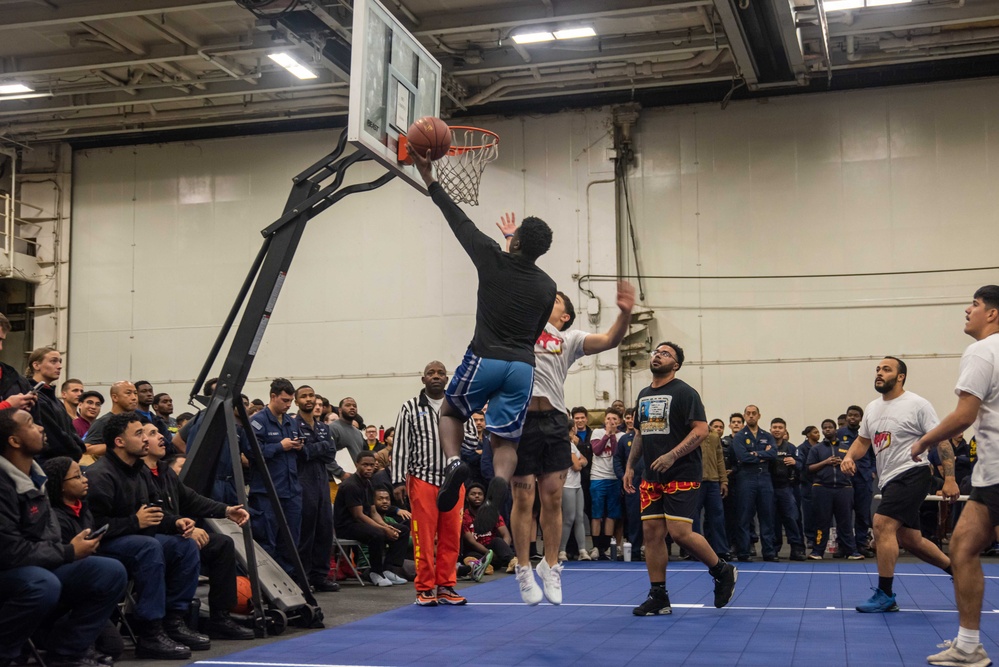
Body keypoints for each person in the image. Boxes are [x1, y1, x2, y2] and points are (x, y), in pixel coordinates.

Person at [412, 151, 558, 525]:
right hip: (523, 367)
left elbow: (458, 220)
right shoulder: (547, 286)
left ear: (516, 240)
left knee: (450, 411)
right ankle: (499, 482)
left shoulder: (492, 257)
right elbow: (537, 328)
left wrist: (430, 177)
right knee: (505, 440)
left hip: (485, 357)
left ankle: (455, 463)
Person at [910, 286, 999, 667]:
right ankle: (968, 646)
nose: (968, 309)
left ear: (992, 314)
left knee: (963, 549)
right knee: (961, 549)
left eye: (975, 305)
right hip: (988, 473)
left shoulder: (983, 350)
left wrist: (924, 440)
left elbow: (964, 415)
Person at [0, 409, 127, 667]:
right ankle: (6, 655)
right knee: (42, 584)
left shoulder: (36, 477)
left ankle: (67, 651)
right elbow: (10, 552)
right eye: (30, 424)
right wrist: (68, 552)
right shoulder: (3, 484)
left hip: (35, 565)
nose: (40, 427)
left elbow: (49, 533)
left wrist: (68, 550)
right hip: (9, 570)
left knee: (109, 571)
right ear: (14, 441)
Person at [624, 341, 737, 616]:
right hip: (651, 476)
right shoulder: (642, 394)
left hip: (682, 472)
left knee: (680, 533)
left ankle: (722, 570)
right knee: (651, 535)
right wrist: (630, 467)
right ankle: (658, 596)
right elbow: (640, 434)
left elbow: (700, 431)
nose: (657, 355)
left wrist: (673, 455)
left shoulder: (685, 393)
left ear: (675, 364)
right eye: (656, 352)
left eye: (665, 353)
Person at [838, 356, 955, 613]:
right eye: (878, 369)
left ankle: (886, 594)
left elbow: (942, 441)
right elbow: (863, 442)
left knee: (882, 524)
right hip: (889, 479)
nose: (879, 373)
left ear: (900, 376)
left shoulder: (917, 404)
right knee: (910, 538)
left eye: (886, 369)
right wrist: (848, 456)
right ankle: (957, 570)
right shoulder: (872, 408)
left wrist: (949, 478)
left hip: (913, 472)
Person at [85, 412, 206, 659]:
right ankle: (151, 632)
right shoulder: (101, 475)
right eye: (138, 433)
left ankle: (173, 621)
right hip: (102, 545)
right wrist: (133, 522)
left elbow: (152, 513)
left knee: (184, 545)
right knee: (148, 547)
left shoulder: (138, 470)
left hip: (134, 537)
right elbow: (91, 527)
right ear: (119, 442)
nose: (145, 439)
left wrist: (175, 522)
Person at [140, 422, 257, 639]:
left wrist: (226, 510)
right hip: (152, 536)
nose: (161, 438)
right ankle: (175, 620)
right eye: (152, 433)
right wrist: (181, 527)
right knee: (185, 545)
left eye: (159, 432)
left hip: (172, 531)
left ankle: (220, 618)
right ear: (141, 441)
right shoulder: (137, 473)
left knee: (222, 544)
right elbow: (150, 514)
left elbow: (191, 499)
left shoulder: (165, 471)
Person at [392, 361, 475, 606]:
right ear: (423, 379)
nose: (436, 376)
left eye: (440, 373)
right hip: (422, 479)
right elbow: (401, 446)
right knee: (424, 538)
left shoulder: (459, 406)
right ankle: (425, 588)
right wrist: (397, 480)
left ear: (447, 379)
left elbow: (470, 442)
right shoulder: (409, 407)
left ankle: (447, 586)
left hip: (453, 480)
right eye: (431, 373)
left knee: (451, 537)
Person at [247, 378, 302, 576]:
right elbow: (253, 453)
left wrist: (297, 446)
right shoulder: (257, 421)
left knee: (291, 541)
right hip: (267, 492)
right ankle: (267, 585)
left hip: (291, 490)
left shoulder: (290, 421)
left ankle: (289, 583)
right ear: (273, 396)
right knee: (266, 540)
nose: (288, 405)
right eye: (285, 400)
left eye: (290, 401)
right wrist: (280, 446)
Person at [334, 450, 409, 587]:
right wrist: (382, 529)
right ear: (357, 465)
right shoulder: (351, 485)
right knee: (378, 534)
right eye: (365, 465)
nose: (368, 468)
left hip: (362, 522)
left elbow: (373, 512)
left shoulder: (368, 483)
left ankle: (389, 569)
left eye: (371, 465)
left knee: (402, 530)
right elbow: (359, 515)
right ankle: (375, 572)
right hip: (347, 526)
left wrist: (386, 526)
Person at [292, 385, 339, 593]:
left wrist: (312, 449)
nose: (309, 399)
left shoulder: (323, 427)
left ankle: (320, 576)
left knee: (324, 530)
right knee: (306, 531)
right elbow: (301, 454)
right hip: (303, 481)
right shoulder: (293, 425)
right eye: (304, 396)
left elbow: (330, 455)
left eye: (311, 395)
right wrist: (317, 449)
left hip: (321, 481)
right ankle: (303, 577)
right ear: (297, 401)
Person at [806, 424, 861, 560]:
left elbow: (855, 467)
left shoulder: (846, 448)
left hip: (843, 488)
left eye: (830, 427)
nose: (828, 429)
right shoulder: (816, 449)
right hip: (822, 488)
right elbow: (809, 468)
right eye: (825, 428)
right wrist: (826, 462)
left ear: (835, 429)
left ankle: (851, 551)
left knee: (846, 521)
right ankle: (818, 551)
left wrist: (844, 462)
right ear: (822, 431)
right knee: (822, 521)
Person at [731, 405, 778, 562]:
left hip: (764, 477)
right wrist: (763, 455)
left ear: (759, 416)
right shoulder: (739, 436)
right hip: (746, 478)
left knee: (767, 516)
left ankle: (769, 552)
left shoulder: (767, 435)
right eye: (748, 414)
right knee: (744, 516)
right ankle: (743, 552)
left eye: (754, 414)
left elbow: (773, 454)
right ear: (745, 416)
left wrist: (756, 454)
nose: (751, 416)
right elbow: (743, 457)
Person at [25, 347, 86, 463]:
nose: (59, 366)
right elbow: (53, 434)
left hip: (64, 459)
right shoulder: (34, 396)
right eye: (53, 361)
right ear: (36, 365)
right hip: (48, 462)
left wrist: (80, 447)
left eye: (60, 362)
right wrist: (75, 451)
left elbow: (70, 430)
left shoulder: (55, 400)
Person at [839, 404, 875, 556]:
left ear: (861, 418)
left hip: (864, 478)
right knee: (844, 513)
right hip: (845, 479)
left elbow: (875, 454)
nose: (852, 418)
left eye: (856, 415)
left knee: (862, 513)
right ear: (846, 417)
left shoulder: (867, 433)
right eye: (850, 415)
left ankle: (861, 545)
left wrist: (873, 471)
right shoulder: (839, 434)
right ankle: (844, 546)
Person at [589, 409, 624, 562]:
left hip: (614, 478)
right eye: (608, 418)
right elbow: (596, 450)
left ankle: (608, 546)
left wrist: (613, 435)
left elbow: (616, 453)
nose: (611, 421)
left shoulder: (621, 436)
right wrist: (607, 435)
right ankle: (597, 546)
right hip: (598, 477)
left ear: (619, 422)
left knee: (612, 514)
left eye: (614, 419)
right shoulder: (596, 432)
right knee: (596, 513)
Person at [769, 417, 805, 561]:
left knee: (791, 518)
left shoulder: (791, 448)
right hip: (769, 489)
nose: (777, 430)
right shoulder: (766, 447)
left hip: (786, 488)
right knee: (772, 520)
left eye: (780, 427)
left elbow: (802, 465)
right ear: (770, 429)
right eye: (775, 427)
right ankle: (773, 550)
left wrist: (795, 462)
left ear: (785, 430)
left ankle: (796, 549)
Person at [694, 418, 729, 560]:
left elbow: (720, 459)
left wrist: (724, 480)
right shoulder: (692, 434)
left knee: (718, 516)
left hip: (713, 481)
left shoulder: (714, 436)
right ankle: (695, 550)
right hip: (696, 481)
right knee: (693, 517)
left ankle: (721, 549)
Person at [462, 482, 515, 570]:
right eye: (473, 494)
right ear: (467, 498)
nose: (477, 496)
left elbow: (506, 535)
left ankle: (512, 562)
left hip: (493, 549)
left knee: (498, 541)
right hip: (478, 551)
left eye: (480, 494)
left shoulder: (492, 513)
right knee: (469, 555)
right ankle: (484, 567)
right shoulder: (464, 516)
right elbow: (471, 542)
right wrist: (489, 554)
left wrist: (502, 550)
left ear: (484, 497)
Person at [560, 428, 588, 562]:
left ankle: (582, 550)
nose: (574, 434)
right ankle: (562, 550)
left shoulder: (572, 445)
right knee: (569, 518)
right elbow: (577, 466)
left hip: (577, 485)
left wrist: (580, 462)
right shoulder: (566, 446)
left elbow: (585, 460)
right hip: (567, 485)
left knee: (579, 517)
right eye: (572, 432)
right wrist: (580, 462)